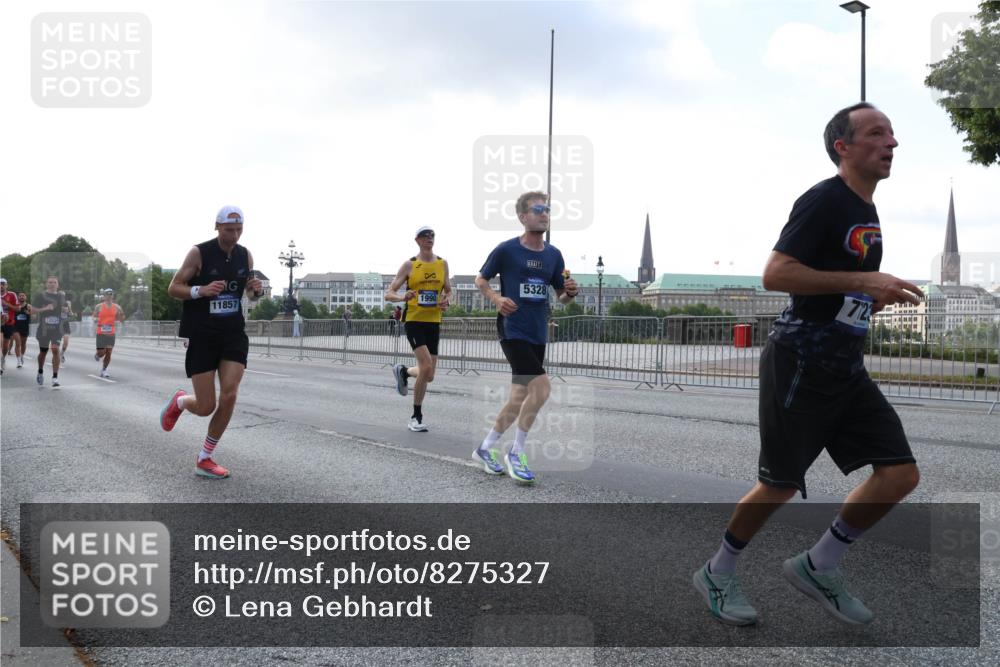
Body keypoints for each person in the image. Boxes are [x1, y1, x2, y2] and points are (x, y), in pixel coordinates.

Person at [692, 103, 923, 627]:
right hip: (800, 361)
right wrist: (864, 281)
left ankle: (820, 563)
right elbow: (776, 274)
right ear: (843, 147)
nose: (891, 142)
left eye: (892, 133)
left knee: (900, 474)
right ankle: (717, 571)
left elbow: (837, 283)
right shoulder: (824, 199)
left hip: (846, 366)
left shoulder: (866, 208)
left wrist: (870, 294)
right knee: (779, 482)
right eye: (876, 133)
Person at [472, 192, 579, 483]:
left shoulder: (553, 255)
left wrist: (570, 293)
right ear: (522, 217)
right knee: (541, 388)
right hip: (512, 329)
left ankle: (485, 448)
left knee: (519, 396)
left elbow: (561, 297)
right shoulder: (507, 250)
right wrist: (496, 298)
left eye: (547, 210)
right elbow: (480, 279)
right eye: (538, 210)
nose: (544, 214)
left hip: (537, 332)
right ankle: (516, 452)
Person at [159, 205, 263, 479]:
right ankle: (181, 402)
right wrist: (200, 290)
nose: (234, 235)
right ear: (217, 227)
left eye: (239, 229)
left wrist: (255, 293)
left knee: (229, 394)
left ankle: (205, 458)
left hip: (232, 333)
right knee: (206, 406)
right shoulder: (199, 253)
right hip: (203, 334)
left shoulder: (245, 256)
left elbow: (250, 296)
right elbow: (173, 287)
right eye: (229, 230)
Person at [386, 226, 453, 432]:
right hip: (414, 321)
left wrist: (446, 301)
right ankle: (416, 417)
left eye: (432, 235)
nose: (429, 239)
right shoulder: (410, 265)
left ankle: (404, 371)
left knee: (429, 374)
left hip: (434, 321)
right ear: (417, 240)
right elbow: (389, 293)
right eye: (425, 236)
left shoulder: (443, 264)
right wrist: (402, 297)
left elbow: (449, 291)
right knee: (425, 367)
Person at [32, 277, 65, 387]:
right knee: (43, 352)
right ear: (46, 284)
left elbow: (67, 311)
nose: (52, 284)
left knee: (55, 349)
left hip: (57, 328)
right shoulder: (40, 296)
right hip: (44, 329)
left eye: (54, 282)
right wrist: (45, 308)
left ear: (58, 285)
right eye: (50, 282)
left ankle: (55, 377)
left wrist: (67, 310)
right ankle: (40, 371)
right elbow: (32, 310)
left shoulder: (61, 296)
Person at [93, 289, 126, 378]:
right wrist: (95, 319)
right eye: (107, 295)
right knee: (102, 352)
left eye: (110, 295)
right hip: (101, 332)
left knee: (109, 352)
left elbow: (122, 318)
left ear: (113, 296)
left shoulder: (117, 307)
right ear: (104, 296)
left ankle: (104, 370)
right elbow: (94, 317)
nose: (109, 296)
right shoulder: (99, 306)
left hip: (111, 332)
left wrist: (121, 317)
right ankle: (97, 354)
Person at [0, 278, 18, 375]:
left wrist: (6, 304)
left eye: (3, 284)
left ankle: (3, 358)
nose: (1, 286)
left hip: (9, 322)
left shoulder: (12, 295)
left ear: (6, 285)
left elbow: (17, 308)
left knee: (5, 346)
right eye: (0, 284)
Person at [13, 293, 31, 368]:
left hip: (25, 327)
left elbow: (34, 315)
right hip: (15, 327)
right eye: (20, 296)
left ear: (25, 297)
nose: (21, 297)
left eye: (23, 296)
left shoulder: (29, 306)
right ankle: (18, 361)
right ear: (18, 298)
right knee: (18, 343)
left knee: (23, 343)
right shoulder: (15, 305)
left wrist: (28, 313)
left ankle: (22, 356)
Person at [59, 299, 75, 364]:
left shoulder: (68, 303)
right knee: (56, 343)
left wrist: (69, 307)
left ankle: (62, 354)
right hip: (57, 324)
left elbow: (71, 314)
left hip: (65, 324)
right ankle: (56, 355)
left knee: (66, 341)